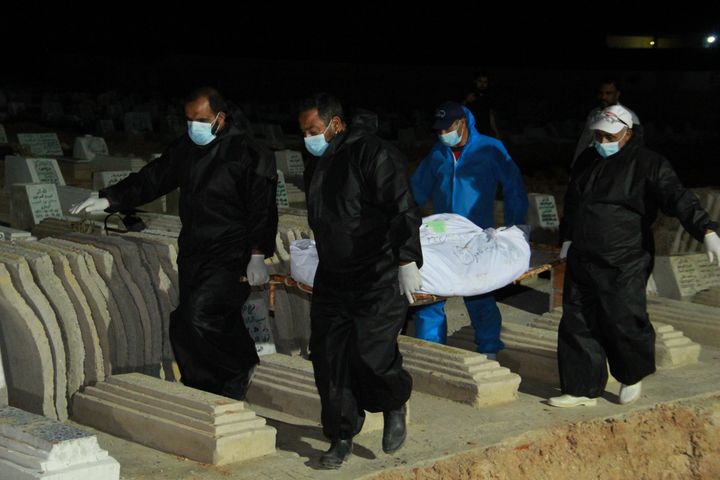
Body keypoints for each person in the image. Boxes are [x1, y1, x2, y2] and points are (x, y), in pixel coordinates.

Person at [70, 87, 278, 400]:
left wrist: (257, 254)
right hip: (194, 249)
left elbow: (262, 209)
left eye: (201, 119)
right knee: (219, 318)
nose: (193, 125)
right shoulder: (187, 148)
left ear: (220, 118)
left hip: (232, 253)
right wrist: (110, 198)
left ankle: (222, 380)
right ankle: (235, 369)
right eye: (188, 119)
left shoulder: (250, 153)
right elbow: (154, 177)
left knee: (191, 319)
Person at [550, 105, 720, 408]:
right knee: (577, 320)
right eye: (599, 135)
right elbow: (574, 202)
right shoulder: (588, 159)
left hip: (624, 257)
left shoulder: (649, 163)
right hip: (583, 254)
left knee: (623, 318)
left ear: (627, 134)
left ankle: (631, 375)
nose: (602, 141)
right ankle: (581, 388)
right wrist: (567, 239)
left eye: (609, 136)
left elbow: (678, 197)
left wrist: (706, 230)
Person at [298, 93, 423, 469]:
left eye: (313, 130)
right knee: (328, 358)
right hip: (334, 276)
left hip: (377, 274)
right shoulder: (319, 161)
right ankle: (341, 435)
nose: (307, 138)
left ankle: (393, 400)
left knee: (371, 354)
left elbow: (401, 205)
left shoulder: (374, 154)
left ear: (335, 125)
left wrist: (407, 257)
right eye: (303, 131)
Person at [410, 101, 528, 359]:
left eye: (447, 129)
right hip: (442, 234)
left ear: (461, 123)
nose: (443, 135)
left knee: (478, 294)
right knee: (431, 294)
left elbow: (513, 186)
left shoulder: (489, 148)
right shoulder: (439, 152)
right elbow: (417, 188)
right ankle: (432, 352)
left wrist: (517, 224)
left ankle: (489, 349)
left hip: (476, 234)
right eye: (438, 131)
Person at [573, 79, 642, 165]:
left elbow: (634, 150)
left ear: (617, 94)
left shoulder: (629, 117)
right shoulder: (594, 113)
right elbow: (584, 141)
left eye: (608, 93)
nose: (603, 97)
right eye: (601, 93)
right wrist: (575, 163)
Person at [462, 71, 501, 139]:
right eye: (480, 81)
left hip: (485, 132)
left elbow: (490, 115)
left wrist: (496, 131)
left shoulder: (489, 96)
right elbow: (458, 112)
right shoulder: (468, 94)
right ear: (475, 81)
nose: (482, 84)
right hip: (471, 131)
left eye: (485, 82)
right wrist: (466, 100)